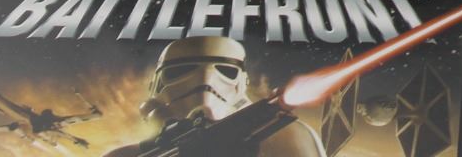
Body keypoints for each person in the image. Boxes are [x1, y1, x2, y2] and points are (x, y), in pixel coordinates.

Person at [104, 37, 323, 157]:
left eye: (224, 71)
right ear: (157, 83)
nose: (205, 81)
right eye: (182, 70)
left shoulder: (285, 135)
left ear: (242, 81)